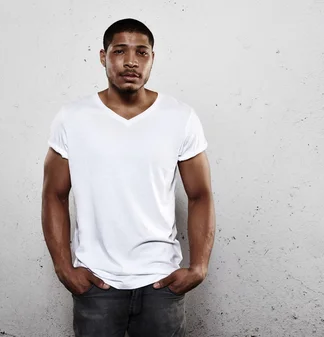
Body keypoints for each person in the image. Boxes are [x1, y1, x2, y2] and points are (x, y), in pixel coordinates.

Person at [41, 18, 216, 337]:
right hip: (96, 283)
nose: (131, 61)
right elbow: (54, 194)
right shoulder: (72, 118)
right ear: (102, 56)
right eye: (119, 50)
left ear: (152, 58)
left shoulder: (180, 117)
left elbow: (200, 194)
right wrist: (64, 268)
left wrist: (199, 266)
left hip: (162, 283)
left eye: (142, 52)